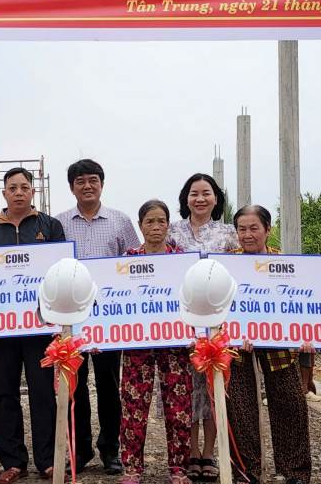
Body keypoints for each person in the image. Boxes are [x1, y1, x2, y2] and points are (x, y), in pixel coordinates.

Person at [0, 167, 67, 484]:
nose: (18, 192)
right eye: (12, 187)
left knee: (43, 393)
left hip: (40, 328)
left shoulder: (50, 227)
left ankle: (47, 460)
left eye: (24, 187)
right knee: (3, 394)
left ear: (33, 191)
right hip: (2, 330)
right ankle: (12, 461)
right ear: (3, 193)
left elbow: (61, 272)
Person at [55, 159, 140, 475]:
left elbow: (133, 265)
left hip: (108, 319)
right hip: (69, 319)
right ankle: (78, 450)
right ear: (72, 187)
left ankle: (110, 450)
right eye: (80, 181)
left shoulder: (120, 221)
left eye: (93, 179)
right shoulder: (58, 222)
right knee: (73, 385)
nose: (87, 185)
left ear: (102, 184)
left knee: (108, 384)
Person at [224, 205, 312, 484]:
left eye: (254, 228)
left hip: (280, 346)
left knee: (291, 403)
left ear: (267, 230)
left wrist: (308, 338)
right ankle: (245, 472)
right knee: (240, 408)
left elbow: (303, 304)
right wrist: (234, 334)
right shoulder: (225, 265)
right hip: (238, 346)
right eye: (241, 229)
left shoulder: (286, 265)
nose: (247, 235)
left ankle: (295, 472)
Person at [167, 173, 237, 482]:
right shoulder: (171, 232)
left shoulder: (229, 234)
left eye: (206, 193)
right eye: (193, 193)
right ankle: (190, 453)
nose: (200, 199)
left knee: (212, 389)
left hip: (218, 327)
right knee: (186, 391)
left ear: (216, 198)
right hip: (181, 323)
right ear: (185, 198)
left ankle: (209, 454)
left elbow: (243, 272)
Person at [118, 200, 193, 484]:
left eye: (161, 221)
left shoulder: (182, 259)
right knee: (134, 408)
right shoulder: (127, 259)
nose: (156, 227)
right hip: (137, 345)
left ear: (168, 225)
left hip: (175, 345)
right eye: (149, 221)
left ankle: (178, 469)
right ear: (140, 226)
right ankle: (132, 468)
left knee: (179, 407)